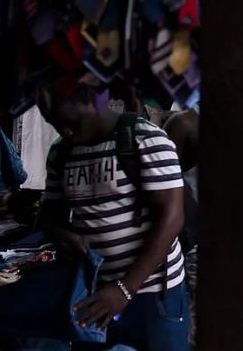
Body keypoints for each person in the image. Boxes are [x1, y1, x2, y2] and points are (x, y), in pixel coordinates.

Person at [38, 74, 189, 350]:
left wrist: (124, 289)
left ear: (95, 100)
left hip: (152, 294)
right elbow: (49, 215)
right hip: (94, 295)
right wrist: (64, 235)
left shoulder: (145, 138)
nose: (66, 132)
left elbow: (172, 217)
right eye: (57, 126)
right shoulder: (62, 153)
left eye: (70, 122)